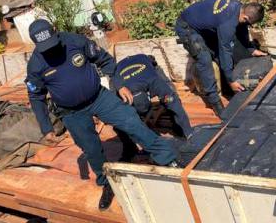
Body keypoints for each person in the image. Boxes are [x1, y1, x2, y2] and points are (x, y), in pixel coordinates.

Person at [25, 19, 177, 211]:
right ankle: (107, 183)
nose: (50, 50)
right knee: (92, 149)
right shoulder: (35, 65)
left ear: (56, 31)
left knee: (131, 121)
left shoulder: (75, 41)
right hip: (71, 112)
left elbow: (105, 60)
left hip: (98, 97)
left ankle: (167, 159)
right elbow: (36, 96)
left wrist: (120, 84)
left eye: (52, 44)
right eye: (44, 47)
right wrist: (46, 127)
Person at [175, 0, 267, 116]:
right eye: (248, 23)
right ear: (245, 17)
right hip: (187, 27)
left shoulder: (239, 8)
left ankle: (226, 88)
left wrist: (251, 49)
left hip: (203, 24)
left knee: (218, 53)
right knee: (205, 60)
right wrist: (231, 80)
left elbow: (241, 28)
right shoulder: (227, 21)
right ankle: (215, 102)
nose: (247, 26)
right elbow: (226, 50)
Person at [115, 54, 194, 139]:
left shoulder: (155, 82)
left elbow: (173, 102)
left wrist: (189, 133)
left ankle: (179, 127)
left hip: (145, 63)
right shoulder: (122, 91)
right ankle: (131, 148)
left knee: (171, 97)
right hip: (120, 67)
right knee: (118, 119)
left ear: (148, 95)